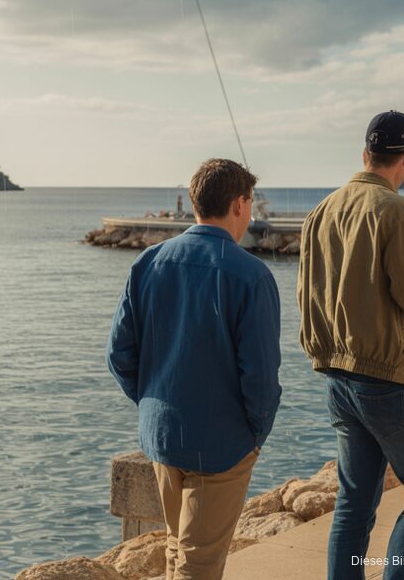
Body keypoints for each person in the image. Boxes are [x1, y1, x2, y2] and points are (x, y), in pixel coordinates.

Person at [107, 158, 282, 580]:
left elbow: (119, 353)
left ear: (195, 201)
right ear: (240, 205)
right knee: (198, 565)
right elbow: (260, 375)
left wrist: (153, 402)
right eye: (251, 203)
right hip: (221, 444)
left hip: (163, 435)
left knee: (177, 548)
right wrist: (255, 435)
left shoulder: (148, 263)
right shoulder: (251, 276)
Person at [298, 110, 404, 580]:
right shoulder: (398, 211)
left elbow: (309, 295)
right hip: (388, 377)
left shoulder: (321, 211)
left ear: (365, 154)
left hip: (338, 376)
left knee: (355, 500)